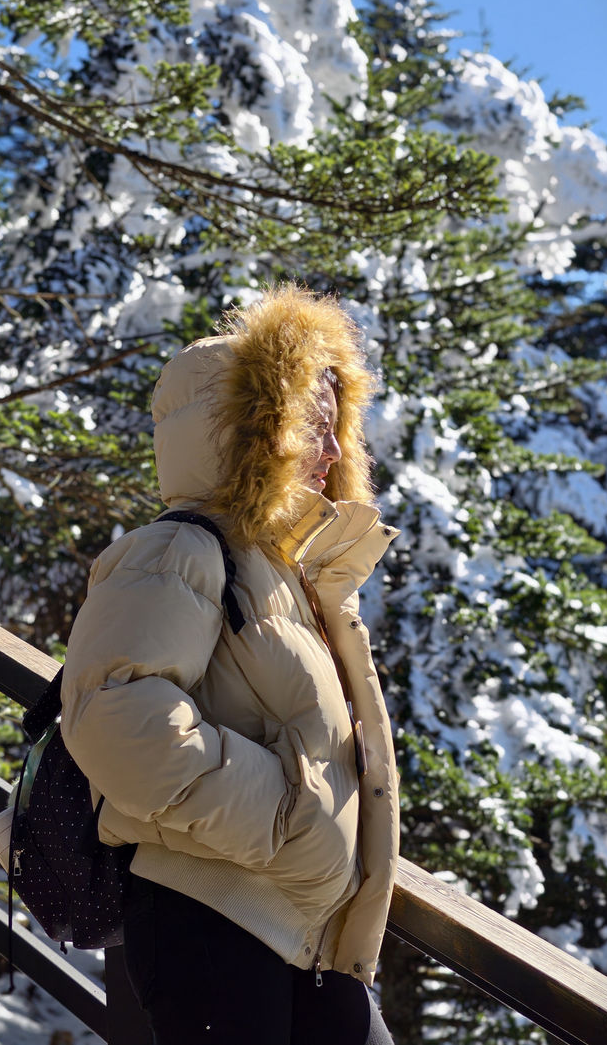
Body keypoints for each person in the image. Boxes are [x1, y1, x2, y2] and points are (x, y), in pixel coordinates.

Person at [60, 283, 400, 1045]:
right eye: (314, 425)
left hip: (300, 936)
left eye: (337, 426)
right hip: (211, 925)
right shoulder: (179, 548)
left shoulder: (287, 568)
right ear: (252, 432)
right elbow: (112, 713)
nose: (336, 451)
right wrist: (279, 811)